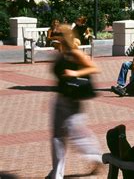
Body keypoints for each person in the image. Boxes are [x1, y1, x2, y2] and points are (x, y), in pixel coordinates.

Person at [47, 24, 102, 179]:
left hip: (73, 101)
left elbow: (94, 68)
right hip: (61, 99)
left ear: (65, 36)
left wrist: (75, 72)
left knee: (77, 135)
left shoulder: (74, 52)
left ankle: (96, 157)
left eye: (58, 34)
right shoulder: (60, 52)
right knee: (57, 137)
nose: (55, 35)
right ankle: (57, 173)